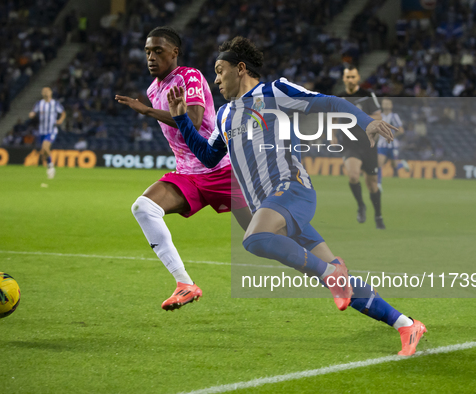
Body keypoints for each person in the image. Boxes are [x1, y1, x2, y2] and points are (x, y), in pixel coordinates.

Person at [168, 36, 427, 356]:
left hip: (292, 190)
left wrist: (366, 122)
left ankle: (332, 274)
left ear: (241, 68)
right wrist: (181, 118)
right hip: (273, 208)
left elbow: (329, 102)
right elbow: (208, 157)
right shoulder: (224, 116)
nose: (216, 79)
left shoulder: (274, 92)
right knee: (341, 282)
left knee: (255, 239)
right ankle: (406, 324)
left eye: (221, 71)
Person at [115, 27, 251, 311]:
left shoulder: (190, 76)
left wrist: (147, 111)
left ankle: (330, 267)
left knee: (262, 240)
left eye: (158, 51)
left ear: (174, 53)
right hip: (188, 175)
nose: (151, 57)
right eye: (148, 52)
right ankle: (185, 284)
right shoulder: (155, 88)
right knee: (143, 208)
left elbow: (193, 117)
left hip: (222, 170)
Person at [335, 66, 386, 229]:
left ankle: (378, 215)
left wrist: (357, 116)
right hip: (350, 144)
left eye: (353, 77)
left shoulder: (367, 96)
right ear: (344, 79)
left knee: (372, 184)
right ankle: (361, 206)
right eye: (347, 77)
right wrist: (332, 136)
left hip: (369, 143)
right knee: (353, 176)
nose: (350, 80)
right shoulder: (339, 98)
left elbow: (378, 116)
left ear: (358, 79)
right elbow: (333, 119)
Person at [29, 87, 66, 179]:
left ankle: (51, 166)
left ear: (51, 93)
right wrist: (32, 114)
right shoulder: (39, 103)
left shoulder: (55, 103)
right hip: (42, 131)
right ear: (42, 93)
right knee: (44, 150)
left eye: (47, 91)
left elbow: (63, 113)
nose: (46, 93)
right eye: (44, 91)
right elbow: (33, 112)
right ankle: (50, 164)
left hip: (51, 130)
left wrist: (60, 120)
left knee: (45, 147)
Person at [377, 98, 410, 190]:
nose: (386, 105)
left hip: (393, 145)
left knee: (394, 165)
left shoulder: (394, 116)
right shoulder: (379, 116)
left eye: (388, 103)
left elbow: (401, 130)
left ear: (391, 105)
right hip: (381, 145)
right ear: (382, 105)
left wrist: (392, 136)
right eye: (384, 103)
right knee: (379, 163)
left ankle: (402, 163)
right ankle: (378, 184)